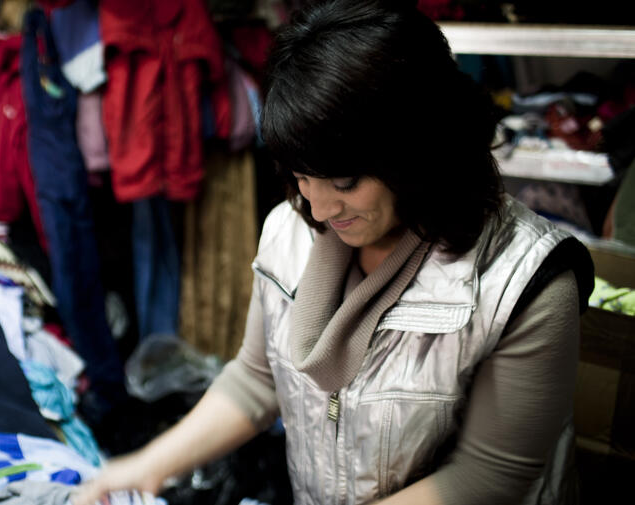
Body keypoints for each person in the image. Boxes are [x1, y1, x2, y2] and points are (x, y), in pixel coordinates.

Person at [72, 1, 594, 504]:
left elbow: (489, 477)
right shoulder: (289, 230)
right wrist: (149, 465)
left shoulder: (524, 283)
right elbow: (256, 380)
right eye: (301, 176)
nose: (319, 209)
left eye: (345, 182)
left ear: (418, 152)